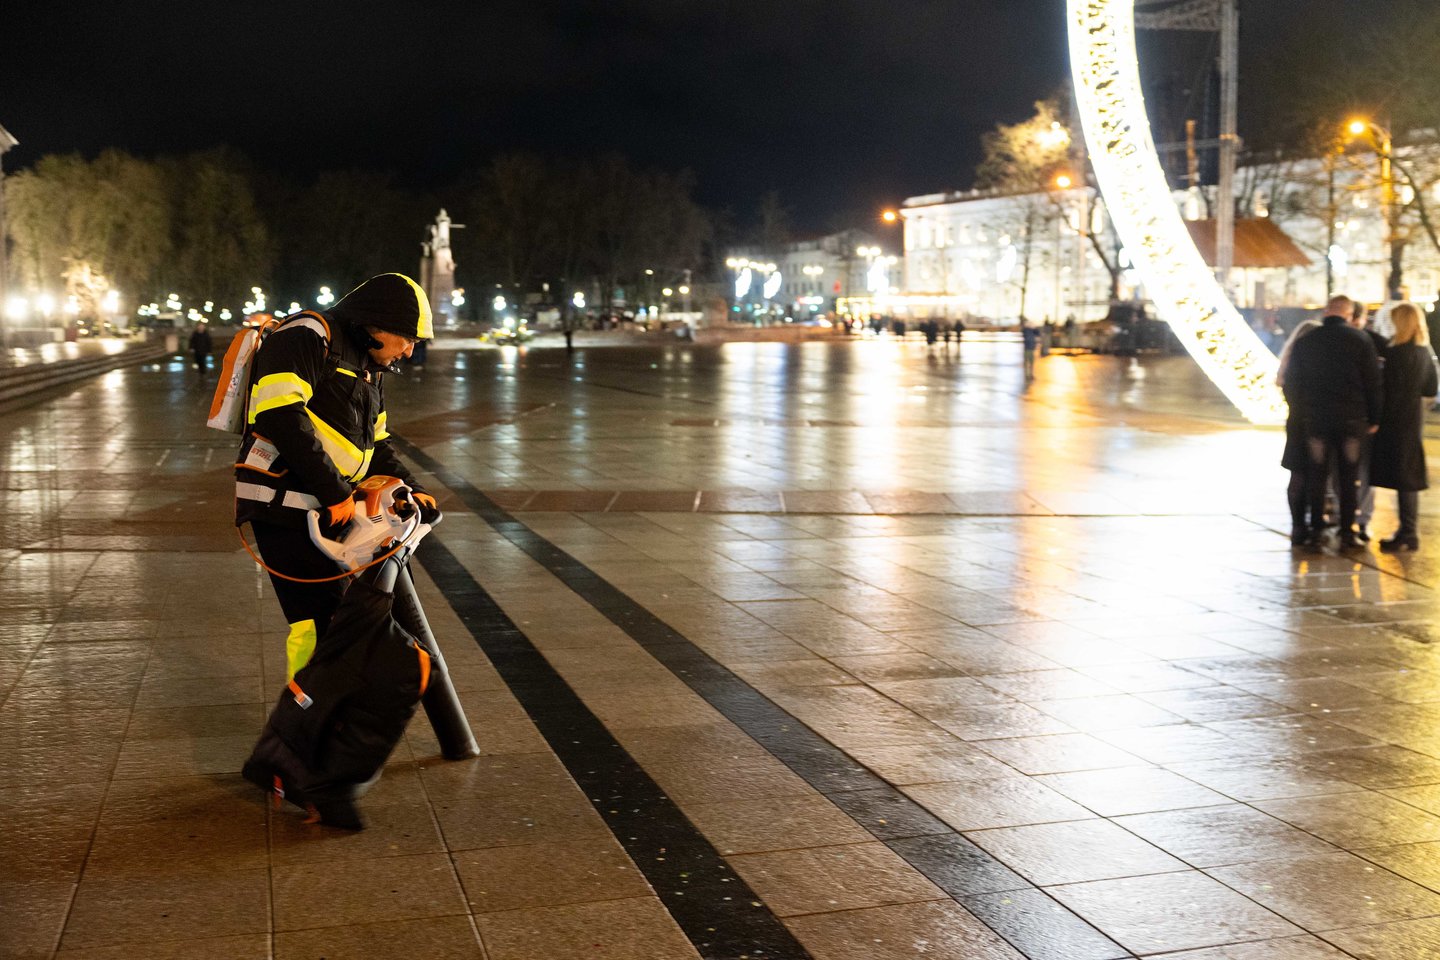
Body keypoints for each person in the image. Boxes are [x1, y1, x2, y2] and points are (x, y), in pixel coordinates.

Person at [234, 273, 440, 680]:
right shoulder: (308, 334)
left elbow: (376, 444)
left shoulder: (368, 366)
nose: (410, 351)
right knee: (317, 621)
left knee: (345, 617)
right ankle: (307, 716)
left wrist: (413, 487)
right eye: (408, 339)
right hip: (284, 504)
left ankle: (331, 707)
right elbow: (279, 414)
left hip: (324, 508)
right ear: (380, 325)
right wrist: (334, 492)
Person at [1284, 294, 1382, 549]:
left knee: (1318, 474)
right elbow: (1373, 383)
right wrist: (1374, 417)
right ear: (1349, 314)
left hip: (1316, 419)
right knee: (1349, 478)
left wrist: (1301, 409)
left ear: (1327, 311)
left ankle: (1316, 530)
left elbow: (1292, 382)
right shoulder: (1360, 340)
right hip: (1352, 419)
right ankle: (1347, 532)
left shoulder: (1307, 341)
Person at [1370, 302, 1438, 551]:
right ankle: (1408, 531)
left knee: (1403, 477)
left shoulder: (1396, 354)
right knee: (1408, 475)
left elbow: (1383, 390)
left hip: (1395, 420)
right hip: (1413, 419)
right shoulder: (1423, 353)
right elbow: (1430, 388)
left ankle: (1408, 532)